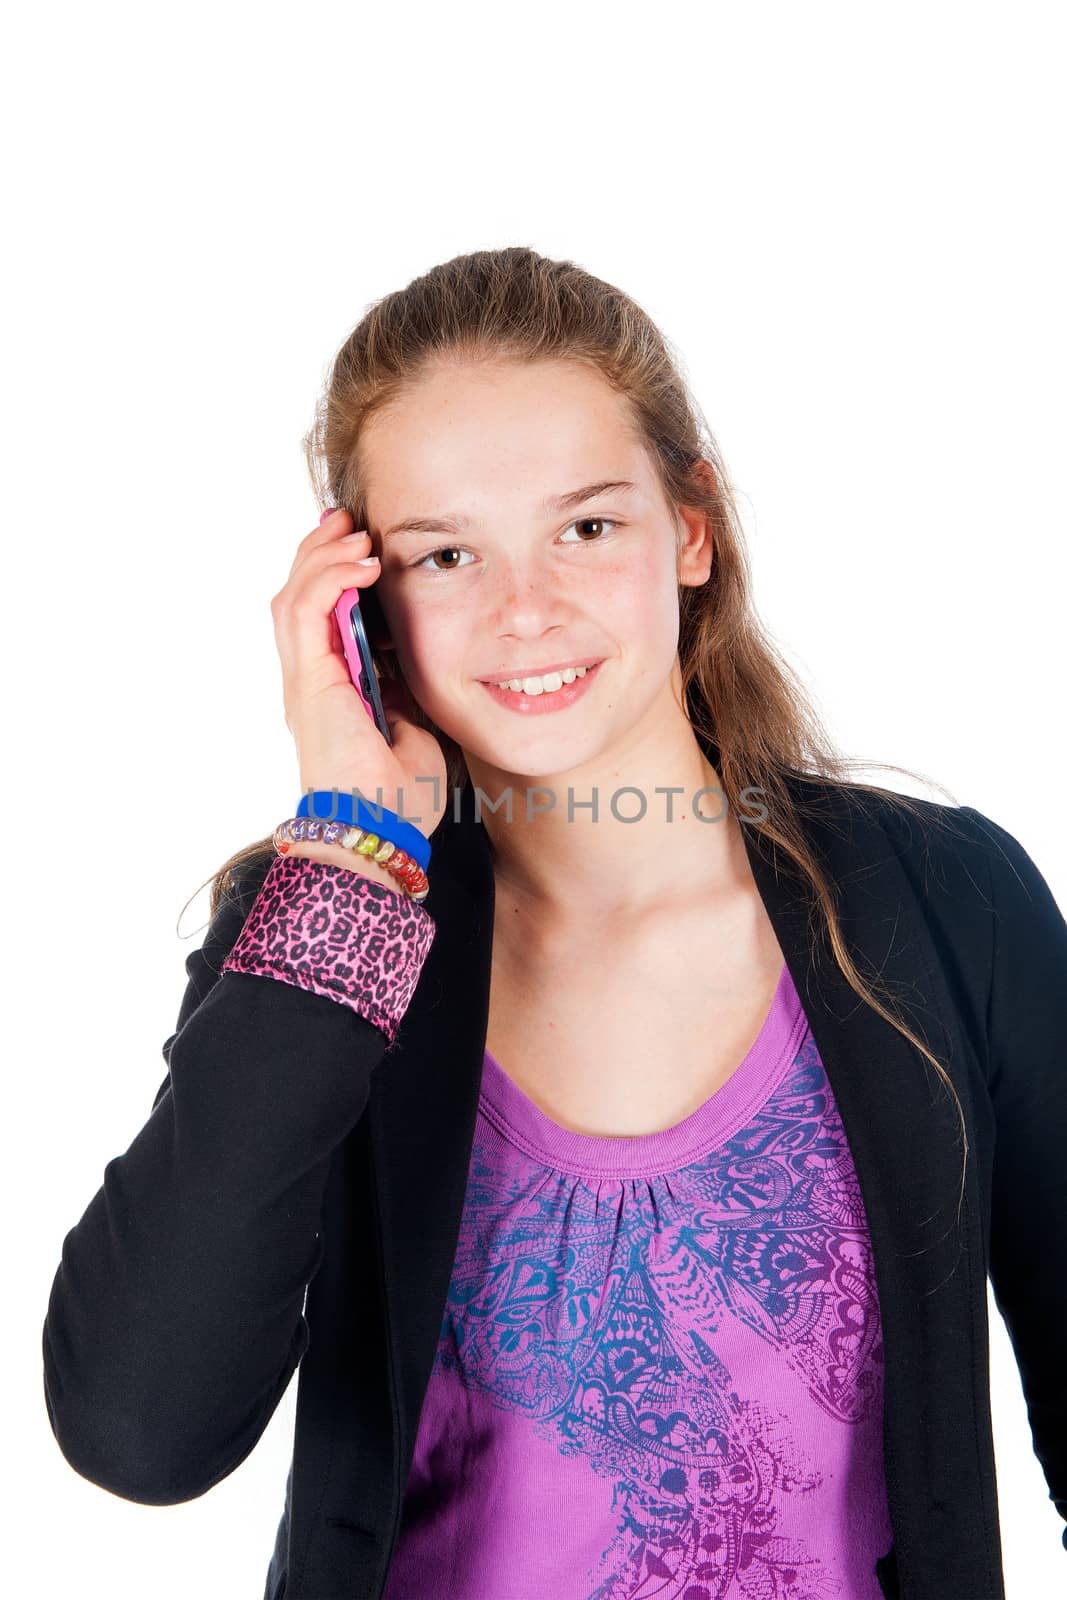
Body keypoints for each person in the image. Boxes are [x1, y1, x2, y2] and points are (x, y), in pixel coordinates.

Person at [41, 247, 1067, 1600]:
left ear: (689, 532)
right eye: (447, 553)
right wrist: (352, 850)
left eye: (586, 527)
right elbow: (139, 1431)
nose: (526, 610)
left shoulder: (943, 903)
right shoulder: (317, 935)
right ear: (361, 612)